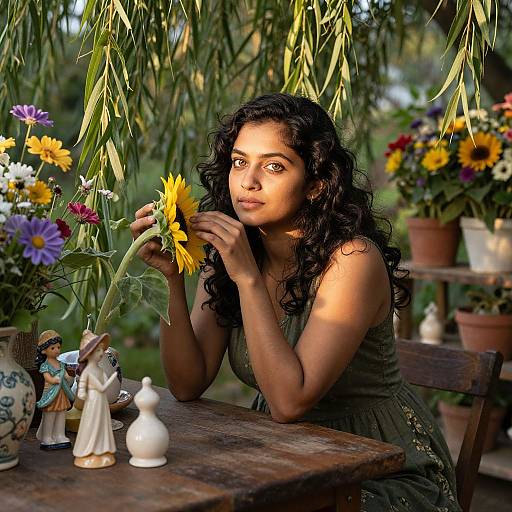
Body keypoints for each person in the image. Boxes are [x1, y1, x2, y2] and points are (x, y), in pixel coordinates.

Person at [130, 93, 461, 511]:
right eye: (239, 161)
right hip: (285, 456)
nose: (249, 181)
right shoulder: (232, 253)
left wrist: (247, 277)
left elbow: (289, 401)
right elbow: (187, 382)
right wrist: (173, 278)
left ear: (316, 183)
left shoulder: (351, 261)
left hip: (381, 470)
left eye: (274, 166)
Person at [73, 329, 118, 469]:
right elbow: (101, 387)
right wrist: (111, 379)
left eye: (101, 350)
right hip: (93, 401)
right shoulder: (88, 372)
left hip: (101, 401)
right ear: (90, 353)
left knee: (103, 424)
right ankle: (89, 450)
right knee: (92, 424)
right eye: (98, 350)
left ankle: (102, 449)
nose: (102, 353)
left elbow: (102, 386)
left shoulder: (99, 370)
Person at [35, 330, 74, 450]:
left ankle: (59, 435)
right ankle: (47, 437)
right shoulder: (45, 365)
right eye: (53, 348)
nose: (57, 350)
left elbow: (66, 376)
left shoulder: (61, 364)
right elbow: (47, 378)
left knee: (61, 415)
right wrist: (54, 380)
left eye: (58, 347)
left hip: (61, 394)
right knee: (50, 416)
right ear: (43, 350)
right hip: (51, 395)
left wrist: (70, 377)